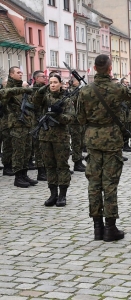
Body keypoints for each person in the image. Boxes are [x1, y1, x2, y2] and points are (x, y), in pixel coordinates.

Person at [77, 54, 131, 242]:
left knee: (94, 184)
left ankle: (97, 228)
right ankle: (110, 228)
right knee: (110, 184)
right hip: (112, 140)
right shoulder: (118, 88)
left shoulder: (85, 91)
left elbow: (80, 119)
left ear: (94, 68)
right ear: (110, 69)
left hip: (93, 140)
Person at [32, 74, 76, 207]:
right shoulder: (45, 97)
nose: (52, 85)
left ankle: (62, 195)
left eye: (55, 82)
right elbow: (35, 100)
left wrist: (59, 115)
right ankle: (53, 194)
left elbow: (71, 118)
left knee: (62, 166)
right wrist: (42, 88)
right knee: (49, 166)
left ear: (61, 84)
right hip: (45, 136)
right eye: (50, 82)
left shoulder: (66, 99)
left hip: (61, 137)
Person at [1, 66, 37, 188]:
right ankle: (18, 177)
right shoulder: (10, 88)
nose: (21, 74)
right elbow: (4, 94)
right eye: (18, 72)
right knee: (18, 151)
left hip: (26, 124)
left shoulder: (22, 88)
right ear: (11, 75)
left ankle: (24, 174)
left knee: (27, 150)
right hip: (16, 124)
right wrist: (22, 90)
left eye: (21, 72)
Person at [31, 70, 47, 181]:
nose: (45, 77)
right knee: (38, 148)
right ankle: (41, 172)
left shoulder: (45, 89)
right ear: (36, 78)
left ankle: (44, 170)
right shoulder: (35, 90)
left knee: (44, 148)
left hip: (44, 120)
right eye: (42, 76)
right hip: (37, 121)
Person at [68, 78, 86, 172]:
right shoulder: (70, 91)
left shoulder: (80, 90)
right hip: (74, 122)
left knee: (81, 142)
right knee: (76, 142)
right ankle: (76, 162)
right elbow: (73, 101)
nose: (78, 81)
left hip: (80, 120)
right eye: (76, 80)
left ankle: (79, 160)